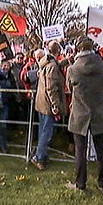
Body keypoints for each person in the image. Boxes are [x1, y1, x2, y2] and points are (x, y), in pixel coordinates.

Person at [66, 37, 103, 192]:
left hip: (80, 113)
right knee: (102, 149)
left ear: (78, 49)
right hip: (99, 111)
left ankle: (80, 184)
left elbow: (69, 88)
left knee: (80, 151)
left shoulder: (72, 69)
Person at [32, 41, 67, 170]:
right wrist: (55, 104)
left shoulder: (46, 63)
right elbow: (51, 87)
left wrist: (66, 61)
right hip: (47, 104)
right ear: (58, 52)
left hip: (41, 103)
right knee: (47, 132)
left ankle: (43, 155)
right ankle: (39, 157)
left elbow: (56, 65)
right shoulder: (52, 66)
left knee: (43, 131)